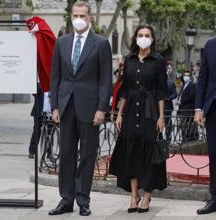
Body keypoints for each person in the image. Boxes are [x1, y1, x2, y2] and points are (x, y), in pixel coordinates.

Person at [49, 1, 112, 216]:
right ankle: (66, 199)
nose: (78, 19)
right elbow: (55, 78)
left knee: (87, 155)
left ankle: (83, 199)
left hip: (90, 107)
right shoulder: (61, 43)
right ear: (70, 16)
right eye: (75, 15)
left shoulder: (101, 44)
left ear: (89, 18)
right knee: (66, 154)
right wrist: (54, 106)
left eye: (82, 15)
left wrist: (102, 108)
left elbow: (105, 80)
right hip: (66, 106)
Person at [109, 24, 168, 213]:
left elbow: (160, 90)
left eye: (147, 35)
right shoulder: (129, 59)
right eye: (140, 34)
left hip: (149, 112)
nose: (143, 37)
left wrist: (161, 117)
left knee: (149, 154)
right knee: (131, 154)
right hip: (130, 112)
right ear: (135, 38)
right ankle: (134, 196)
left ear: (152, 38)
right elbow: (124, 89)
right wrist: (119, 113)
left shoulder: (159, 61)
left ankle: (147, 196)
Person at [194, 38, 216, 214]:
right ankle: (214, 198)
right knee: (214, 155)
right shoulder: (210, 45)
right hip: (213, 109)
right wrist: (198, 109)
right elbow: (203, 79)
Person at [175, 71, 196, 142]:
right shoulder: (184, 84)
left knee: (187, 125)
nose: (185, 77)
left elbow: (191, 96)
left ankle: (187, 140)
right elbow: (181, 95)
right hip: (182, 108)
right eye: (184, 75)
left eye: (187, 75)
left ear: (190, 77)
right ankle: (184, 139)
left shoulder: (192, 85)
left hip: (187, 108)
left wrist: (181, 102)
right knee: (182, 125)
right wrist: (178, 100)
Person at [28, 83, 44, 159]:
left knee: (50, 130)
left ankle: (49, 152)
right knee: (37, 130)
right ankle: (32, 150)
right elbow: (34, 93)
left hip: (51, 109)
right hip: (39, 109)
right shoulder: (39, 82)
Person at [164, 63, 177, 141]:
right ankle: (159, 138)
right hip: (158, 107)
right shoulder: (157, 83)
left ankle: (168, 139)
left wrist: (168, 98)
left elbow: (174, 94)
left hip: (168, 107)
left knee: (168, 124)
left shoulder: (171, 83)